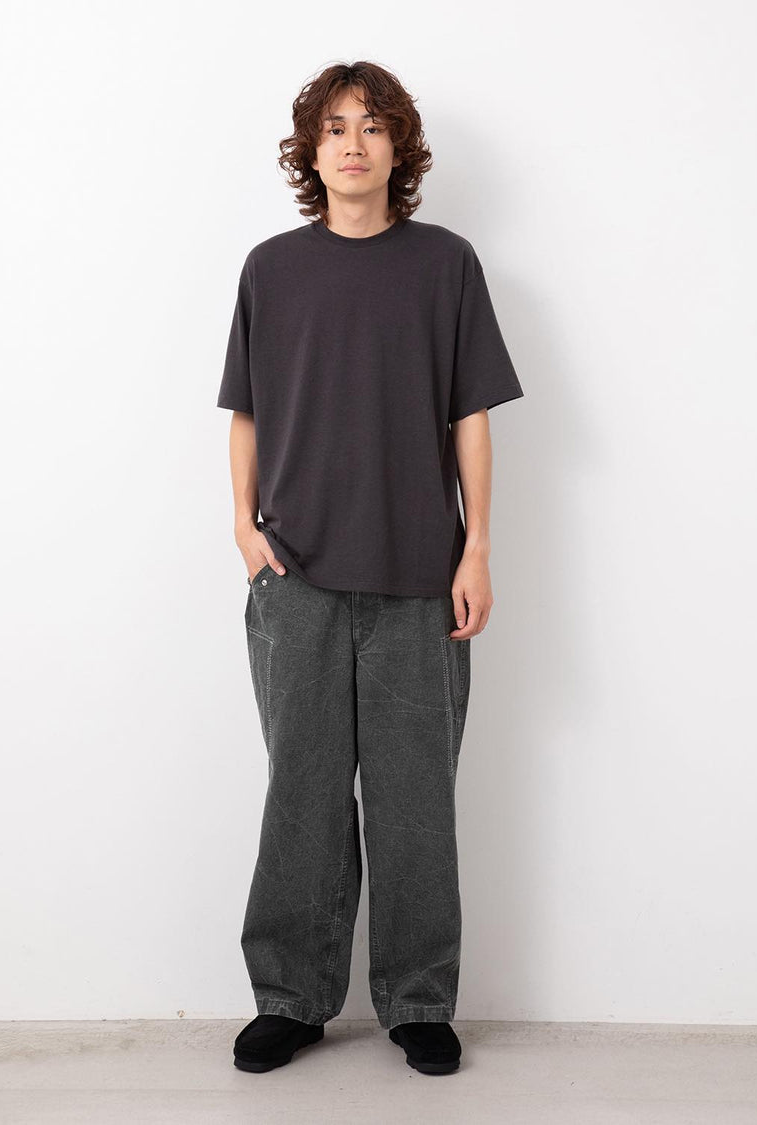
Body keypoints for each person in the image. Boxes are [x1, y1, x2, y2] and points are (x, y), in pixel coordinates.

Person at [218, 61, 524, 1076]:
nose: (354, 143)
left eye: (374, 126)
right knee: (301, 799)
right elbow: (245, 410)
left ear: (401, 148)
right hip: (296, 575)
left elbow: (470, 415)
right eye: (336, 127)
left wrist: (476, 546)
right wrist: (244, 530)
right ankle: (291, 998)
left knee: (415, 803)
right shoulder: (271, 269)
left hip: (418, 580)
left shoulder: (445, 265)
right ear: (311, 152)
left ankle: (420, 1001)